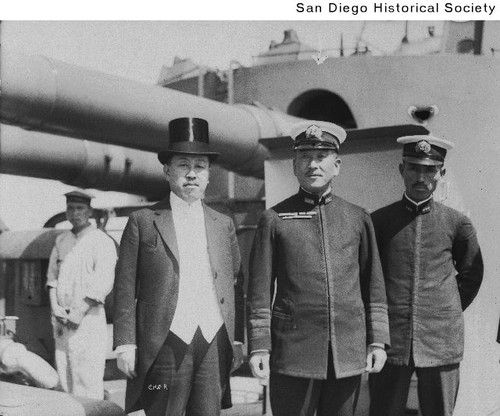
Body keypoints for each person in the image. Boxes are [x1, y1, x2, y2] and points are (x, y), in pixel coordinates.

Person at [247, 120, 390, 416]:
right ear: (294, 165)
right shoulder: (274, 219)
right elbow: (258, 289)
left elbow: (372, 284)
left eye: (321, 157)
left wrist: (377, 341)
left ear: (336, 165)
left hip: (346, 353)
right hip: (293, 352)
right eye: (305, 157)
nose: (313, 164)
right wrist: (259, 346)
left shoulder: (358, 218)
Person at [113, 117, 245, 416]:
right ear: (167, 171)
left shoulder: (223, 224)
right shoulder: (143, 221)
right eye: (183, 165)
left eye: (199, 167)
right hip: (164, 344)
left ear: (209, 174)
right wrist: (125, 344)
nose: (191, 174)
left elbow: (236, 284)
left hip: (212, 341)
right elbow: (124, 287)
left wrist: (236, 339)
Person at [369, 135, 484, 416]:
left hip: (440, 340)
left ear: (441, 173)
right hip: (391, 340)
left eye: (430, 169)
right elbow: (368, 277)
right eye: (413, 168)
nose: (421, 177)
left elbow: (471, 275)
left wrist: (443, 310)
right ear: (401, 170)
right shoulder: (379, 221)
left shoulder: (457, 223)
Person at [46, 189, 117, 399]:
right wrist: (55, 307)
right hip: (61, 319)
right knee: (64, 373)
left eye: (80, 208)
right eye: (70, 208)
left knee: (87, 376)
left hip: (88, 318)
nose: (74, 213)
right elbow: (52, 278)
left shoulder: (101, 241)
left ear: (89, 212)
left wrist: (79, 311)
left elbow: (103, 280)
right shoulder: (61, 241)